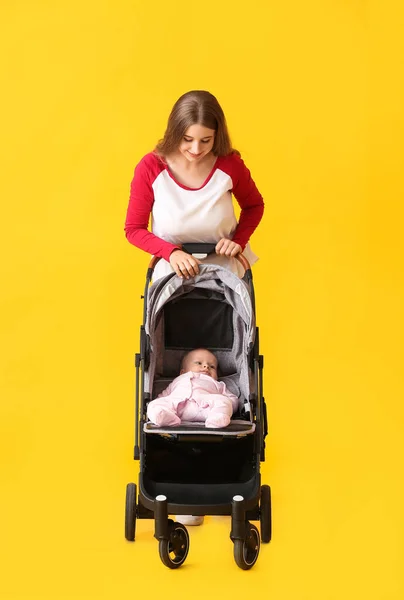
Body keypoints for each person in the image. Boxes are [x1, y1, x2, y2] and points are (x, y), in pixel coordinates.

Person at [124, 90, 264, 280]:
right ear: (175, 133)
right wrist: (171, 252)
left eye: (206, 140)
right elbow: (134, 229)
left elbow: (254, 205)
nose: (196, 149)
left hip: (226, 275)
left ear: (217, 135)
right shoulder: (151, 167)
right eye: (187, 140)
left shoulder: (230, 164)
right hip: (171, 276)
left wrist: (239, 241)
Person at [147, 348, 238, 428]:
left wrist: (228, 405)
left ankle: (217, 418)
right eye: (199, 363)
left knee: (224, 401)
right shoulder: (177, 380)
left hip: (207, 409)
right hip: (177, 409)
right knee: (154, 405)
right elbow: (165, 395)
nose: (206, 366)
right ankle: (164, 417)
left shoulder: (217, 384)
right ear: (183, 372)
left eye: (212, 367)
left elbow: (232, 398)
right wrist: (159, 403)